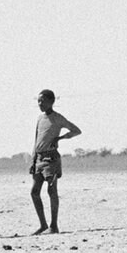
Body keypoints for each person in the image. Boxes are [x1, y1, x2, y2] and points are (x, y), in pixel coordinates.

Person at [30, 89, 81, 235]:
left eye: (43, 101)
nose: (40, 103)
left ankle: (53, 225)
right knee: (34, 192)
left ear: (51, 102)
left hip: (51, 159)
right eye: (38, 101)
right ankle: (43, 225)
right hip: (38, 159)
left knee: (52, 191)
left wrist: (61, 138)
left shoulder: (58, 118)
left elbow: (76, 130)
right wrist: (33, 158)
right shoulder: (40, 118)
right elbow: (36, 139)